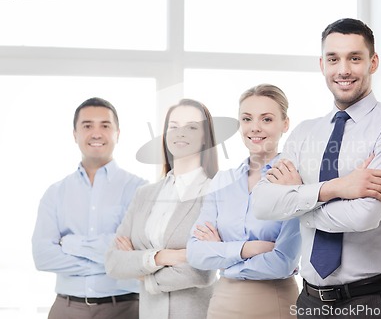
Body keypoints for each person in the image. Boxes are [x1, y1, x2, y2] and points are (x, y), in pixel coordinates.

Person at [252, 19, 381, 318]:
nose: (343, 69)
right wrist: (336, 189)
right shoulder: (304, 133)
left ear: (373, 62)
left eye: (354, 58)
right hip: (308, 300)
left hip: (369, 301)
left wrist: (297, 200)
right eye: (334, 59)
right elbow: (263, 204)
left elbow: (362, 215)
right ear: (322, 65)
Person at [187, 84, 301, 319]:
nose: (255, 128)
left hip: (275, 303)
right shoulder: (223, 181)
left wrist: (222, 258)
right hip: (222, 303)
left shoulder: (294, 180)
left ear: (285, 124)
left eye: (267, 119)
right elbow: (196, 252)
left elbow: (283, 262)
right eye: (247, 119)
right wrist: (248, 248)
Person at [32, 97, 147, 319]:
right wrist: (113, 263)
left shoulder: (140, 190)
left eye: (105, 125)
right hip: (66, 309)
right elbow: (42, 256)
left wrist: (71, 244)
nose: (96, 133)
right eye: (87, 126)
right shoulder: (55, 193)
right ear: (75, 134)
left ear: (117, 134)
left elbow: (139, 252)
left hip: (124, 309)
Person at [105, 99, 219, 319]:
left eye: (192, 127)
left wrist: (140, 270)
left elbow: (202, 272)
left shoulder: (215, 194)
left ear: (206, 137)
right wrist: (161, 257)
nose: (180, 133)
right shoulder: (144, 194)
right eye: (173, 126)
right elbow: (113, 261)